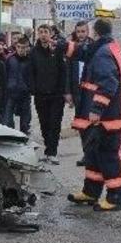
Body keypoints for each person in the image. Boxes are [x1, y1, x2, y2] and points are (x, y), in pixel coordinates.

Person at [68, 18, 121, 212]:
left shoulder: (102, 53)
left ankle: (116, 196)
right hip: (101, 117)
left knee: (109, 156)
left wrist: (96, 110)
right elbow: (82, 52)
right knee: (93, 155)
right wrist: (61, 44)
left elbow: (108, 84)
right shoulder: (104, 47)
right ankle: (91, 192)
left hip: (106, 118)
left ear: (95, 32)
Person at [29, 24, 71, 164]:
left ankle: (52, 152)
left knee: (54, 124)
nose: (43, 35)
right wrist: (33, 88)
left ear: (50, 34)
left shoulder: (57, 50)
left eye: (45, 32)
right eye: (40, 32)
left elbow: (64, 71)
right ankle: (48, 150)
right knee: (44, 123)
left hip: (56, 95)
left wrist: (65, 91)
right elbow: (30, 72)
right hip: (41, 94)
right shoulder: (33, 52)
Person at [4, 36, 33, 134]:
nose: (21, 49)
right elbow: (5, 73)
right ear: (16, 47)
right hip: (10, 92)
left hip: (25, 93)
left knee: (25, 121)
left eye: (23, 47)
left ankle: (24, 136)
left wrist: (30, 87)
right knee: (8, 119)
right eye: (19, 47)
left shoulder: (30, 60)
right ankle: (10, 135)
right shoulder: (10, 59)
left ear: (27, 47)